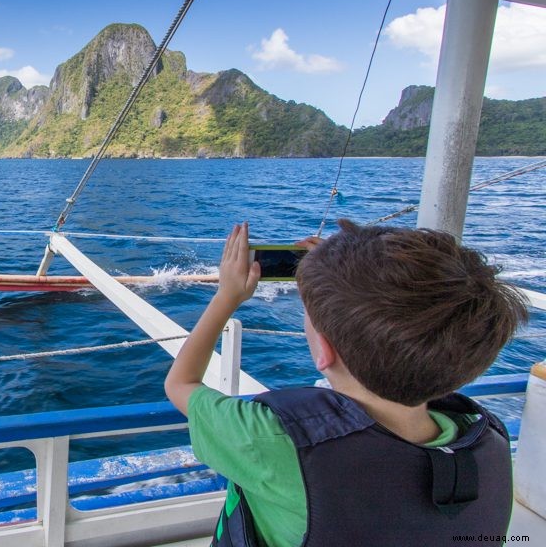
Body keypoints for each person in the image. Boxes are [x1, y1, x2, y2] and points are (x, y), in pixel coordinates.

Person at [165, 219, 527, 546]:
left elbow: (180, 384)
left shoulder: (275, 439)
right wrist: (338, 274)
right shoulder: (486, 440)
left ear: (324, 350)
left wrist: (227, 296)